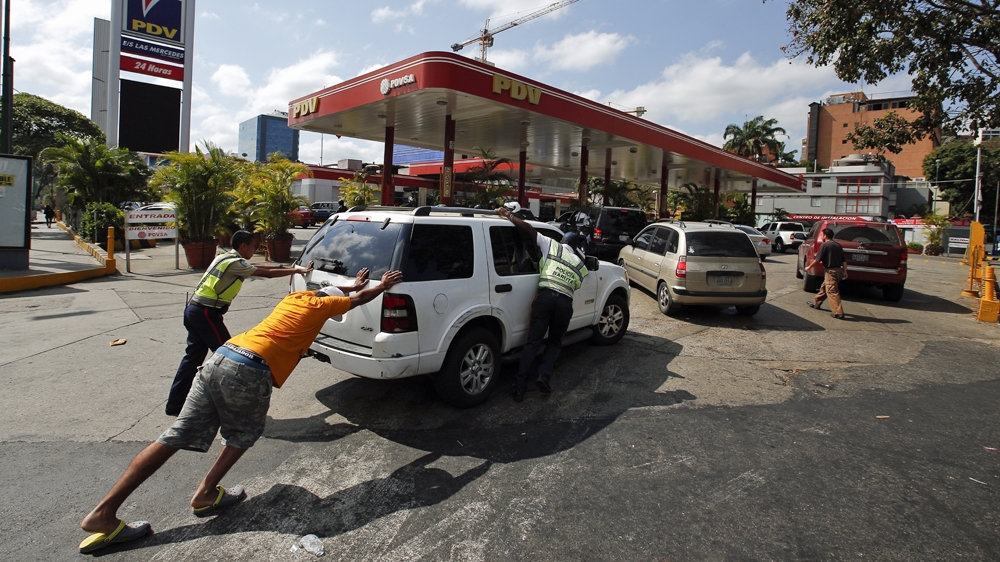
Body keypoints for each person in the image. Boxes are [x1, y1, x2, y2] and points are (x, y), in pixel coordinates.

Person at [78, 267, 404, 554]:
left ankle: (103, 513)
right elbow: (357, 300)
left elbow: (337, 291)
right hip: (249, 370)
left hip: (222, 356)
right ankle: (206, 493)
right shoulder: (322, 306)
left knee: (175, 434)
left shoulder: (295, 299)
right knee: (244, 434)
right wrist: (381, 285)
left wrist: (352, 283)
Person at [164, 230, 314, 416]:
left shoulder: (226, 257)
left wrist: (286, 268)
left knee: (192, 359)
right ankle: (229, 405)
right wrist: (297, 270)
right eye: (253, 246)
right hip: (206, 313)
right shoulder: (234, 263)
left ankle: (175, 404)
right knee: (231, 358)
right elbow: (266, 273)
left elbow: (257, 266)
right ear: (243, 246)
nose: (254, 250)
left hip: (194, 310)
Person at [496, 205, 588, 402]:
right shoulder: (580, 264)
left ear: (563, 241)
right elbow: (576, 285)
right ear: (576, 247)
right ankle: (543, 376)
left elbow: (528, 229)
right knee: (554, 343)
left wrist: (508, 215)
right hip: (564, 304)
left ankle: (520, 387)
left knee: (533, 342)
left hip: (545, 298)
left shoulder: (552, 245)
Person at [806, 227, 847, 319]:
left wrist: (809, 267)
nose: (822, 236)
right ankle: (816, 303)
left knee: (832, 291)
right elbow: (844, 260)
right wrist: (845, 272)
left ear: (825, 235)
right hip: (839, 271)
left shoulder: (825, 245)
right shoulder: (838, 245)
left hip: (830, 271)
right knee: (825, 287)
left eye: (822, 235)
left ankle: (838, 312)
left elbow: (817, 259)